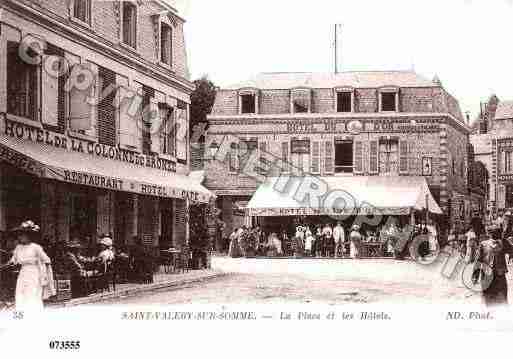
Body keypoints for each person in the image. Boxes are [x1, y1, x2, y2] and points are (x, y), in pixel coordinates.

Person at [6, 220, 55, 310]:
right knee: (19, 294)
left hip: (34, 274)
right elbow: (13, 260)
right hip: (23, 273)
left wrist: (43, 271)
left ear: (28, 236)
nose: (20, 237)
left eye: (22, 234)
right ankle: (19, 317)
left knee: (31, 295)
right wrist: (9, 264)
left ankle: (33, 318)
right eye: (19, 235)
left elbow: (47, 260)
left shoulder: (36, 247)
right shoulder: (18, 247)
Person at [476, 226, 513, 306]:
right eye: (499, 233)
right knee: (491, 299)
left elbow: (478, 261)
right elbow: (478, 261)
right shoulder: (484, 244)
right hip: (491, 276)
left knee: (499, 299)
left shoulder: (502, 243)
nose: (499, 235)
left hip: (495, 275)